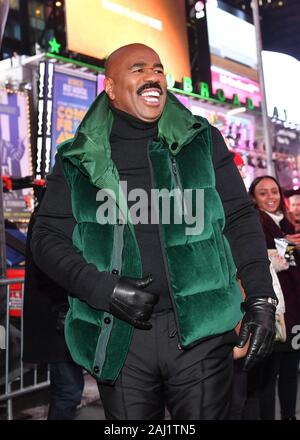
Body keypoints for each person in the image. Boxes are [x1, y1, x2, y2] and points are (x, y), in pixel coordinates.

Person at [30, 43, 277, 420]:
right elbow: (46, 238)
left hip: (202, 331)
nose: (153, 77)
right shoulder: (78, 158)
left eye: (159, 69)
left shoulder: (202, 140)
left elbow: (241, 218)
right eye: (139, 69)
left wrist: (260, 297)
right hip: (120, 338)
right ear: (110, 88)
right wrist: (103, 288)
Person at [23, 195, 84, 420]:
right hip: (57, 319)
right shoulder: (48, 220)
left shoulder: (51, 217)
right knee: (68, 390)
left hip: (60, 317)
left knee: (66, 389)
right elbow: (50, 272)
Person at [249, 175, 300, 420]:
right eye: (263, 193)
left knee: (291, 370)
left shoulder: (287, 223)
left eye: (274, 191)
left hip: (295, 308)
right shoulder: (255, 222)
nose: (271, 197)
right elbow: (268, 261)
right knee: (269, 375)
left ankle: (290, 416)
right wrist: (287, 246)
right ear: (254, 198)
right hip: (274, 309)